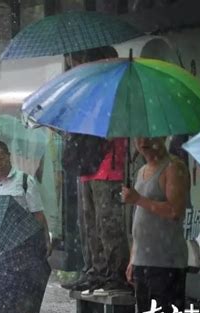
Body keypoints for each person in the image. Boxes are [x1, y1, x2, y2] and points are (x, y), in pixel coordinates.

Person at [61, 48, 130, 294]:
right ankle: (95, 270)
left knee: (108, 223)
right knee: (88, 224)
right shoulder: (85, 90)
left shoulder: (117, 89)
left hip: (108, 165)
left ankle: (115, 273)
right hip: (86, 164)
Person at [0, 140, 51, 313]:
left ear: (9, 156)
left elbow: (38, 214)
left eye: (1, 158)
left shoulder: (25, 181)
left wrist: (44, 239)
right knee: (1, 286)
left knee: (25, 284)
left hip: (22, 243)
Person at [122, 137, 189, 313]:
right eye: (138, 137)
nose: (143, 142)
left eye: (149, 135)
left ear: (162, 136)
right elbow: (139, 219)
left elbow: (174, 211)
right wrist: (133, 257)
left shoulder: (173, 167)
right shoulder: (141, 170)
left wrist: (139, 199)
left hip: (166, 261)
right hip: (144, 260)